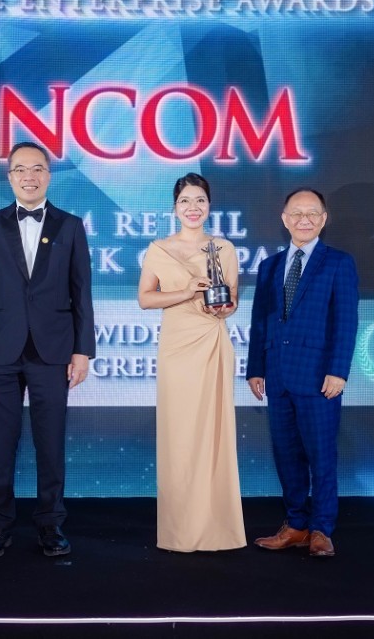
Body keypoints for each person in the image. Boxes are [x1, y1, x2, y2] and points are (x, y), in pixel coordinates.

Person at [0, 142, 96, 558]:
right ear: (9, 177)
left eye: (37, 169)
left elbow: (81, 292)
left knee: (50, 444)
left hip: (53, 351)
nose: (29, 176)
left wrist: (83, 351)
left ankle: (51, 525)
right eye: (20, 169)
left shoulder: (70, 226)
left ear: (49, 176)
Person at [246, 188, 358, 558]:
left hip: (319, 378)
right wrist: (255, 368)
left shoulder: (338, 263)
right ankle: (295, 525)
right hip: (277, 375)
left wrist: (338, 371)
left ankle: (322, 530)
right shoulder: (270, 266)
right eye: (296, 213)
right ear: (284, 219)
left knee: (321, 456)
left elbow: (346, 321)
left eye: (312, 213)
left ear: (324, 219)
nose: (304, 219)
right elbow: (260, 321)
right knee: (286, 454)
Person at [138, 173, 246, 552]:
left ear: (209, 206)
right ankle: (180, 528)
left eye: (200, 200)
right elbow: (145, 298)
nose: (193, 207)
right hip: (176, 348)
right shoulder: (159, 249)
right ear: (174, 208)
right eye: (185, 201)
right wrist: (185, 292)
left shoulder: (224, 249)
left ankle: (216, 526)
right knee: (179, 434)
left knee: (214, 432)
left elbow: (232, 300)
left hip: (211, 342)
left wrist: (223, 308)